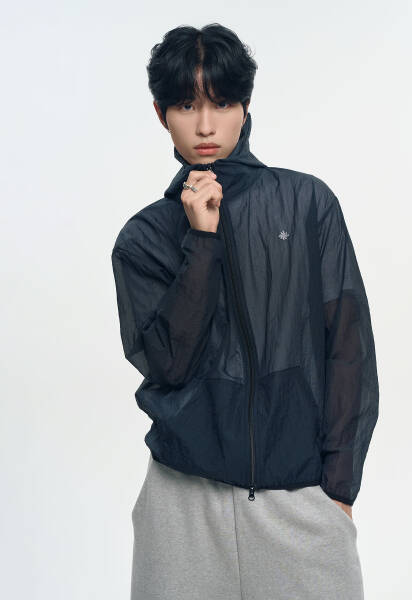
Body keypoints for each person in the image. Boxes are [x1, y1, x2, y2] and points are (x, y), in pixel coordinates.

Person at [111, 22, 379, 600]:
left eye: (222, 103)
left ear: (246, 105)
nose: (206, 126)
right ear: (161, 114)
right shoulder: (144, 238)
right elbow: (169, 364)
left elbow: (348, 348)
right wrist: (202, 240)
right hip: (181, 507)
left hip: (297, 503)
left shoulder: (306, 203)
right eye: (187, 105)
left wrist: (339, 490)